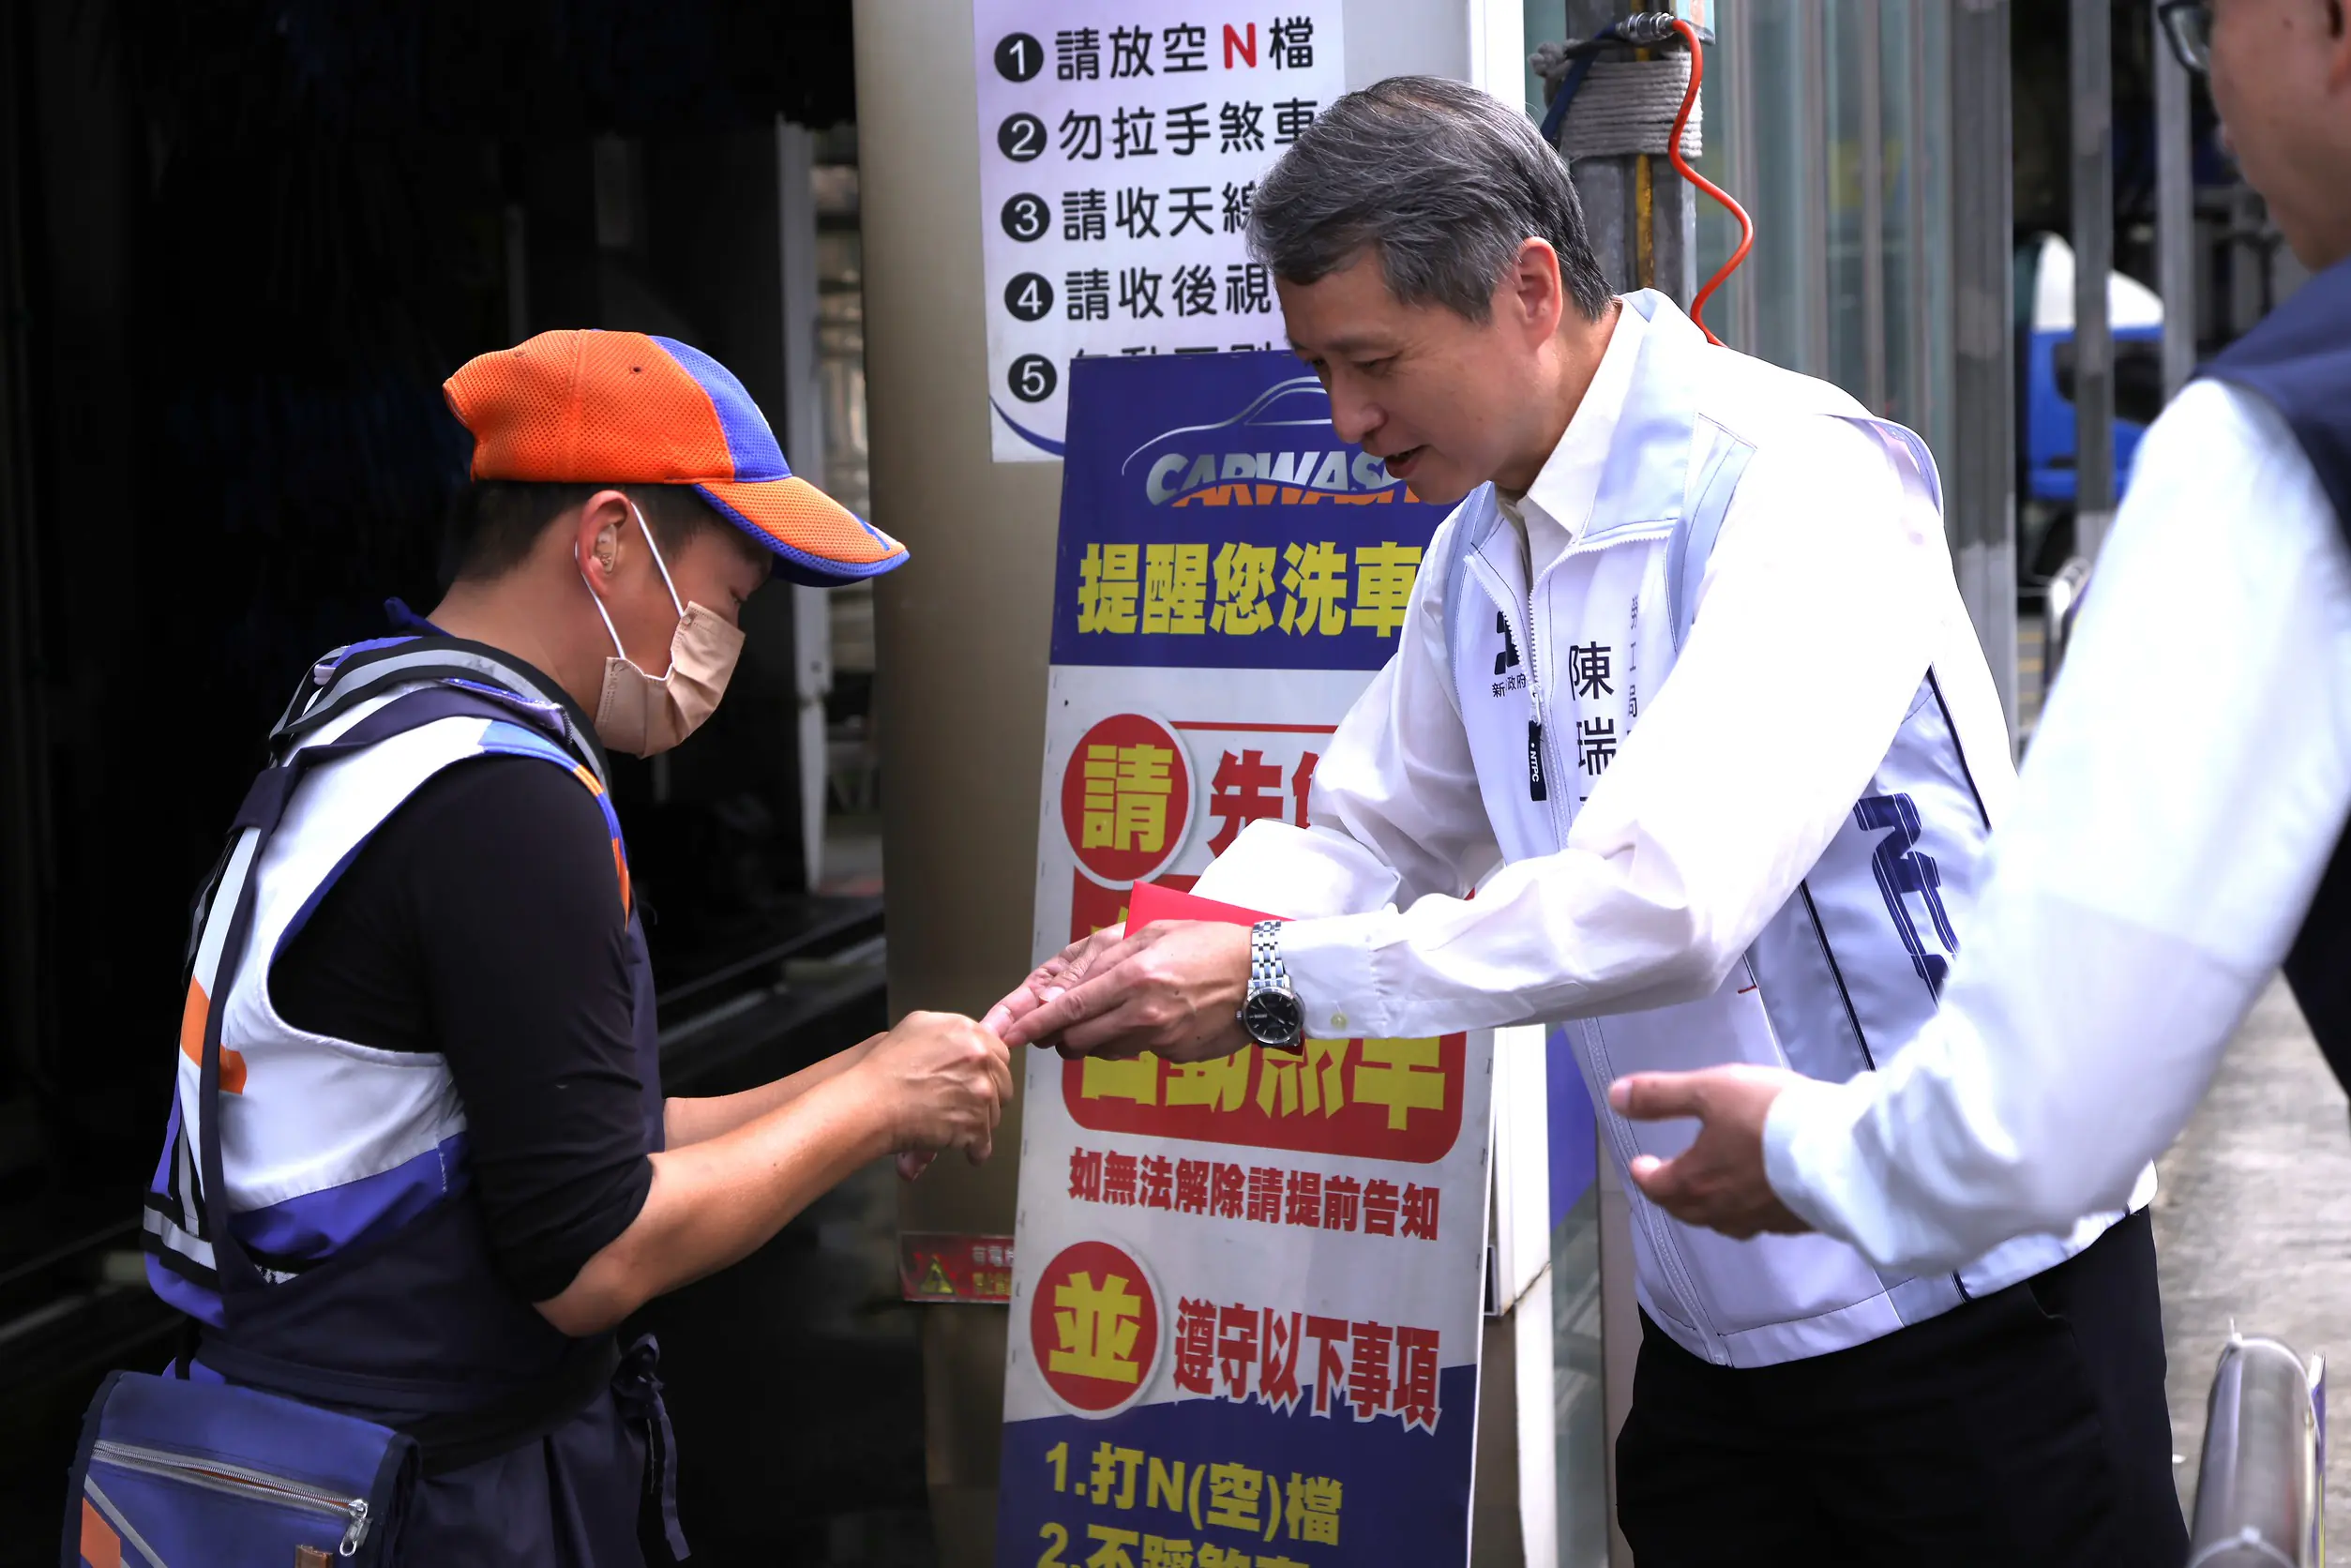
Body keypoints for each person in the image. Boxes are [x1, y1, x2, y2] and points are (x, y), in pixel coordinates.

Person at [986, 76, 2185, 1566]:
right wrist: (1167, 946)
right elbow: (1367, 827)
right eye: (1319, 371)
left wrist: (1283, 981)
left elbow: (1666, 902)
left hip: (1966, 1294)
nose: (1348, 419)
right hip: (1718, 1326)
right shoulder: (1479, 545)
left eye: (1370, 362)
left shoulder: (1787, 481)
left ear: (1527, 289)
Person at [136, 330, 1012, 1565]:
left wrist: (879, 1073)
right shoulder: (503, 798)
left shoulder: (374, 717)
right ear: (606, 543)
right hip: (420, 1500)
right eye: (730, 592)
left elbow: (585, 1139)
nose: (725, 639)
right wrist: (872, 1107)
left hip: (311, 1455)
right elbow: (588, 1249)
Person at [1605, 0, 2351, 1274]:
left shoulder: (2270, 444)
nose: (2209, 76)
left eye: (2201, 20)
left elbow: (2039, 1121)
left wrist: (1803, 1151)